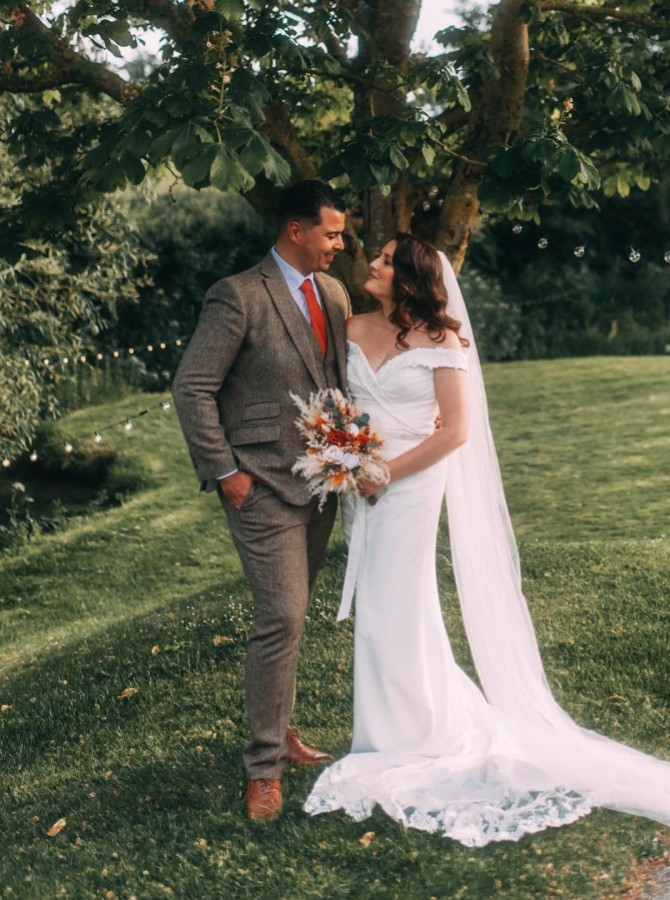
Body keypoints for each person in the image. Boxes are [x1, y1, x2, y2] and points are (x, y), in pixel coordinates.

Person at [304, 233, 670, 865]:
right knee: (387, 612)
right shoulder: (352, 327)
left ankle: (405, 738)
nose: (373, 265)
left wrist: (389, 471)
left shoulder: (443, 343)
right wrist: (347, 454)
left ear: (410, 279)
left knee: (397, 606)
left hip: (410, 485)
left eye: (385, 261)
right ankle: (409, 723)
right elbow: (340, 405)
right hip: (361, 483)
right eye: (376, 258)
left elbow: (457, 432)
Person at [172, 181, 351, 821]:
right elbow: (191, 386)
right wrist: (226, 472)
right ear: (296, 231)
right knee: (282, 616)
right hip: (259, 487)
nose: (340, 243)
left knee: (295, 614)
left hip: (321, 485)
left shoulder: (333, 293)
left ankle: (284, 730)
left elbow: (335, 381)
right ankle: (262, 769)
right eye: (332, 233)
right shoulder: (238, 294)